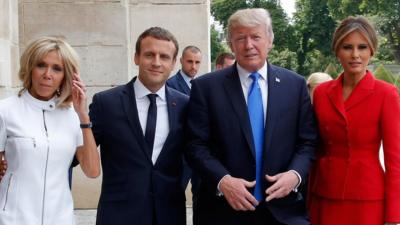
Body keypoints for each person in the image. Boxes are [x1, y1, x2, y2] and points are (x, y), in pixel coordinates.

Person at [185, 8, 317, 225]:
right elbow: (195, 145)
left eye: (256, 36)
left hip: (283, 211)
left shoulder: (294, 85)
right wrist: (223, 181)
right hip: (223, 211)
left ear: (270, 40)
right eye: (240, 38)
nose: (248, 45)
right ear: (231, 44)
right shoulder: (206, 87)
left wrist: (295, 175)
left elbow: (308, 142)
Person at [91, 27, 188, 225]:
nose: (156, 62)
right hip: (118, 215)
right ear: (136, 57)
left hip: (169, 215)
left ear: (173, 63)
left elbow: (197, 153)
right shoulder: (106, 103)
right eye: (149, 55)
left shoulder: (186, 105)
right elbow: (76, 154)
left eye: (164, 56)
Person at [309, 16, 400, 225]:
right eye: (347, 47)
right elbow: (315, 148)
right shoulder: (322, 93)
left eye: (362, 47)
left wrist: (394, 216)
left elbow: (395, 160)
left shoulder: (386, 94)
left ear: (372, 51)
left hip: (367, 202)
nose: (355, 55)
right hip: (324, 196)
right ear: (337, 50)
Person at [0, 36, 100, 225]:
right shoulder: (5, 111)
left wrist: (83, 117)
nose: (48, 74)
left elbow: (92, 171)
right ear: (30, 68)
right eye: (41, 65)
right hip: (12, 218)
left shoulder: (73, 116)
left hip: (60, 218)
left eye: (57, 68)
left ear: (67, 76)